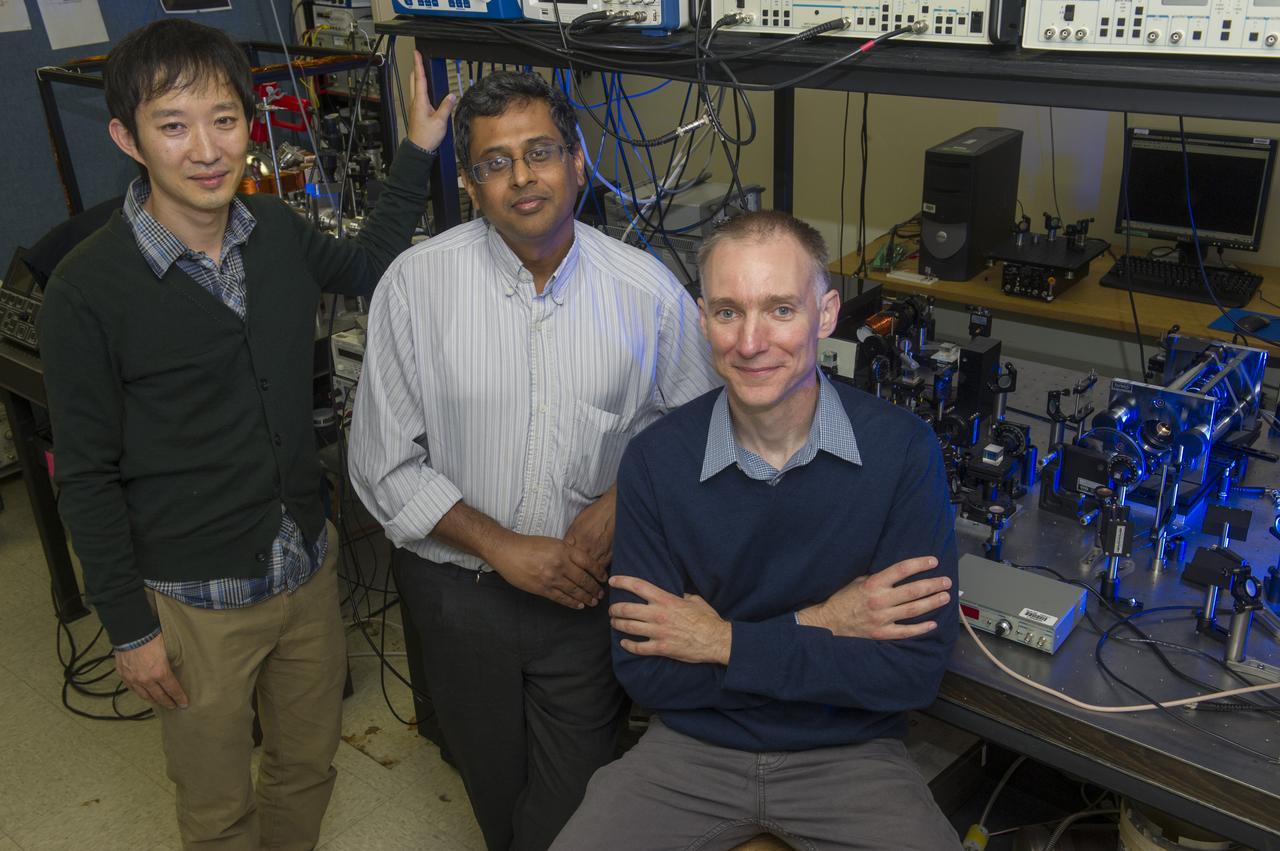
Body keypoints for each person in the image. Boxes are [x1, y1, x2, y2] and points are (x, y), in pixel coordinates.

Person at [38, 18, 453, 850]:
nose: (206, 149)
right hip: (195, 603)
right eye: (173, 124)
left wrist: (416, 150)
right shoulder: (86, 292)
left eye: (224, 120)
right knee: (219, 807)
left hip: (303, 565)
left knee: (308, 765)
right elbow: (84, 473)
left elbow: (368, 262)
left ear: (249, 123)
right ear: (127, 136)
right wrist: (129, 626)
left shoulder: (274, 233)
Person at [346, 70, 719, 851]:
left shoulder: (647, 294)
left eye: (541, 151)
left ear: (578, 161)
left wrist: (621, 503)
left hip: (585, 602)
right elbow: (383, 463)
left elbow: (699, 426)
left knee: (571, 813)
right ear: (471, 183)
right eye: (494, 161)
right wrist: (504, 548)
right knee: (495, 789)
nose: (521, 176)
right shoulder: (415, 286)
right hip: (456, 597)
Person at [552, 210, 962, 850]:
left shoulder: (903, 453)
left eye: (779, 310)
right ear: (701, 318)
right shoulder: (657, 461)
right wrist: (825, 624)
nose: (750, 342)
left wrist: (718, 642)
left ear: (825, 315)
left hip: (848, 755)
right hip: (691, 752)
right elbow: (650, 676)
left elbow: (909, 675)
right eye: (727, 312)